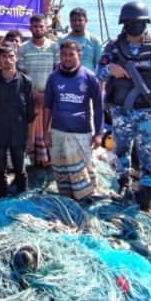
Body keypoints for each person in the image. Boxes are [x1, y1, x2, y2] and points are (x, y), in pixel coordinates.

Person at [95, 1, 151, 211]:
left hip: (148, 113)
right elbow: (98, 72)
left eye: (139, 22)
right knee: (121, 152)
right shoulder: (113, 48)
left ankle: (147, 194)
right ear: (124, 23)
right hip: (121, 112)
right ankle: (123, 186)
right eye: (130, 22)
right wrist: (110, 68)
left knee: (149, 154)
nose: (135, 26)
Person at [43, 40, 104, 202]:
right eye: (64, 54)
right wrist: (45, 133)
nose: (67, 58)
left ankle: (86, 198)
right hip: (57, 132)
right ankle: (67, 199)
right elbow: (47, 106)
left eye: (72, 54)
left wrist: (98, 133)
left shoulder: (90, 77)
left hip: (81, 132)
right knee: (61, 170)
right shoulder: (53, 77)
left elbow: (98, 107)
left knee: (85, 169)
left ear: (79, 55)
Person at [0, 44, 36, 197]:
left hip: (19, 133)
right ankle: (3, 196)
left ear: (16, 57)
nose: (8, 60)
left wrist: (30, 138)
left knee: (20, 169)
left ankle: (21, 197)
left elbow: (30, 113)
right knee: (0, 170)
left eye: (11, 56)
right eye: (4, 56)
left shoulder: (26, 82)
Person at [17, 14, 59, 167]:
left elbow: (57, 72)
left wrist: (47, 95)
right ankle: (33, 163)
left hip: (49, 98)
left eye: (41, 26)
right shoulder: (23, 49)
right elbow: (21, 75)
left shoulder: (55, 47)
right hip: (31, 98)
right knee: (32, 131)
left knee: (48, 130)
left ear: (46, 27)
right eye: (35, 26)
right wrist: (34, 94)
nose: (38, 29)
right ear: (30, 28)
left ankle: (48, 162)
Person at [61, 7, 103, 71]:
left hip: (88, 79)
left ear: (86, 21)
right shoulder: (62, 40)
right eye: (74, 20)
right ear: (70, 21)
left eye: (80, 20)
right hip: (66, 78)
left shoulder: (95, 41)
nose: (77, 23)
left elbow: (100, 66)